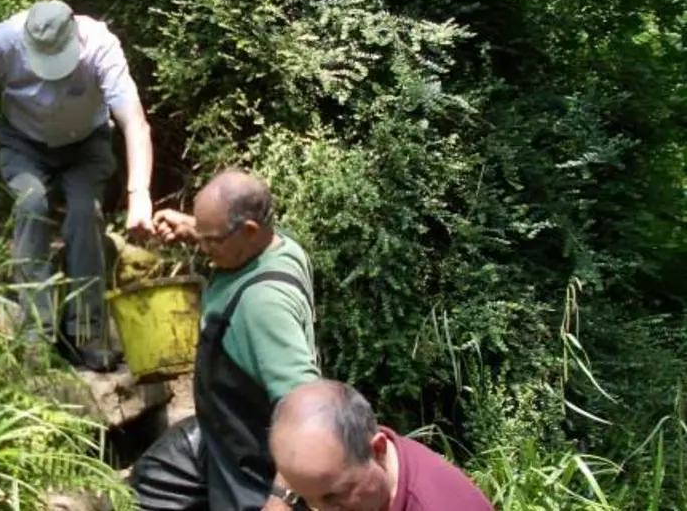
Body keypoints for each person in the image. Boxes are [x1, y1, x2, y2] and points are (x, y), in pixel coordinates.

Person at [0, 0, 155, 372]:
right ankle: (36, 335)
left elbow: (134, 122)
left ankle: (86, 333)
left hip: (86, 144)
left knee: (85, 215)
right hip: (23, 141)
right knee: (31, 204)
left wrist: (139, 194)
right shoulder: (6, 39)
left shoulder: (101, 45)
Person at [129, 169, 319, 510]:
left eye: (210, 239)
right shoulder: (281, 248)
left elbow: (306, 407)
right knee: (153, 480)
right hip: (219, 431)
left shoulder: (263, 306)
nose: (203, 247)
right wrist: (194, 229)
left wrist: (283, 498)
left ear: (248, 231)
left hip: (256, 459)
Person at [269, 380, 496, 511]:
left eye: (334, 496)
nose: (321, 510)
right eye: (306, 499)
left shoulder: (437, 504)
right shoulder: (364, 461)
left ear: (377, 449)